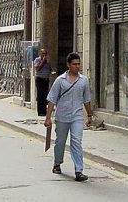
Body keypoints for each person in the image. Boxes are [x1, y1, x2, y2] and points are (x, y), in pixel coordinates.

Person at [44, 52, 93, 182]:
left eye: (78, 64)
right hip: (62, 117)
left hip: (77, 117)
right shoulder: (60, 81)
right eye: (74, 64)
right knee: (60, 142)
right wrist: (48, 118)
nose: (77, 66)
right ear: (68, 65)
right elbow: (52, 100)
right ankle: (57, 163)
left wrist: (89, 115)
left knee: (76, 141)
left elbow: (86, 99)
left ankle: (79, 170)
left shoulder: (84, 81)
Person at [33, 48, 52, 116]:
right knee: (40, 95)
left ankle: (44, 111)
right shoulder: (37, 60)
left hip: (46, 79)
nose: (44, 55)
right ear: (40, 54)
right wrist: (43, 61)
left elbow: (49, 68)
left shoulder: (48, 61)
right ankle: (40, 111)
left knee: (45, 95)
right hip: (40, 79)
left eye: (45, 54)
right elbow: (38, 69)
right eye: (43, 54)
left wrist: (50, 72)